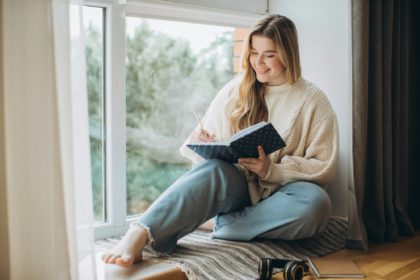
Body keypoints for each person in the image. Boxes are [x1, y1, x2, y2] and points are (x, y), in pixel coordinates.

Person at [102, 14, 339, 268]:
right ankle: (138, 234)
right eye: (253, 52)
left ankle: (217, 223)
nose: (258, 62)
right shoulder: (237, 89)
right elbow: (202, 162)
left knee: (317, 204)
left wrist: (272, 170)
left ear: (288, 54)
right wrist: (202, 141)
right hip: (238, 189)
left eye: (269, 55)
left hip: (283, 198)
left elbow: (323, 167)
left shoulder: (314, 101)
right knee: (215, 169)